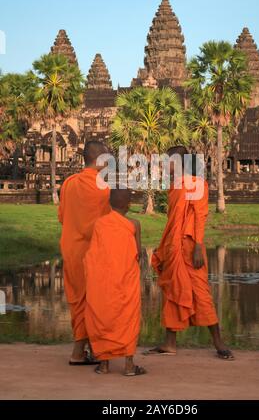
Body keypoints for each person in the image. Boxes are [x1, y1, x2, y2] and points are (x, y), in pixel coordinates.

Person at [145, 146, 234, 360]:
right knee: (172, 291)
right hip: (174, 247)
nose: (166, 165)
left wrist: (197, 246)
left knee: (201, 294)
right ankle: (169, 343)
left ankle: (218, 343)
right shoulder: (175, 186)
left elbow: (199, 216)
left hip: (190, 246)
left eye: (169, 161)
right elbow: (173, 221)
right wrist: (164, 249)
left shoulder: (197, 184)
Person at [58, 140, 111, 365]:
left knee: (78, 301)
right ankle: (82, 352)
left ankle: (83, 350)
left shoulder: (69, 183)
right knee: (93, 301)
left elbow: (62, 217)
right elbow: (107, 224)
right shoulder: (103, 188)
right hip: (92, 253)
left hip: (70, 249)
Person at [84, 188, 146, 376]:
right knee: (127, 317)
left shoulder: (99, 224)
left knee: (103, 315)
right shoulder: (134, 224)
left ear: (110, 204)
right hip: (125, 280)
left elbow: (94, 255)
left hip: (102, 282)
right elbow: (137, 253)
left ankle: (104, 364)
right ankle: (129, 366)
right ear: (129, 205)